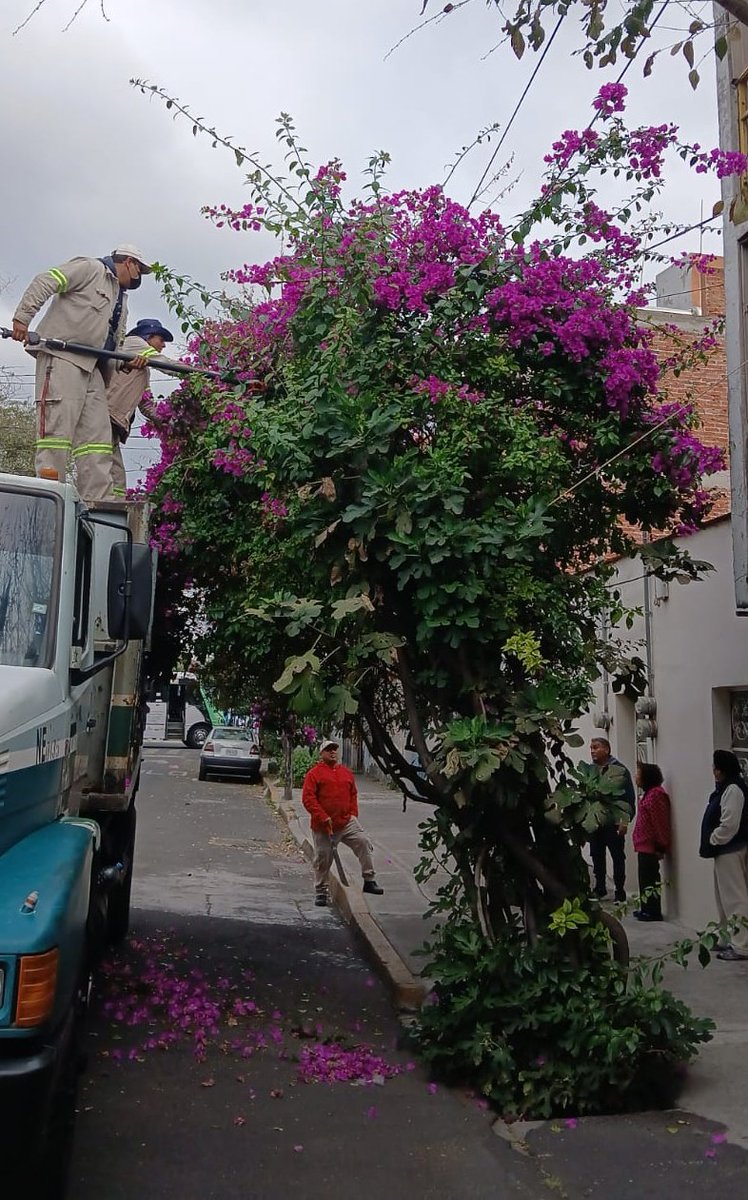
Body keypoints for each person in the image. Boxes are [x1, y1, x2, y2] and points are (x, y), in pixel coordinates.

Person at [11, 244, 153, 502]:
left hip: (95, 369)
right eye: (139, 270)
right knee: (56, 436)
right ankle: (48, 502)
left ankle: (99, 507)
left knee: (97, 441)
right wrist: (22, 318)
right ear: (129, 262)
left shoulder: (121, 297)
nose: (138, 277)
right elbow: (46, 280)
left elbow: (112, 342)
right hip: (63, 358)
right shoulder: (90, 268)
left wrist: (124, 363)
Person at [301, 739, 384, 907]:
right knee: (323, 858)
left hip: (346, 822)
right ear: (321, 754)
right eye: (328, 750)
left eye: (334, 749)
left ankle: (369, 880)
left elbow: (353, 793)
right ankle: (321, 892)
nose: (332, 752)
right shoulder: (314, 774)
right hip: (323, 826)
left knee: (363, 842)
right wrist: (322, 816)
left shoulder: (346, 772)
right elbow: (308, 799)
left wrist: (353, 814)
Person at [106, 318, 175, 497]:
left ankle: (116, 509)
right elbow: (166, 364)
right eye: (161, 340)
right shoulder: (134, 343)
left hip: (113, 422)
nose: (163, 345)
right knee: (105, 472)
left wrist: (167, 422)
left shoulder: (142, 368)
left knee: (117, 477)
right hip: (104, 417)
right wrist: (199, 375)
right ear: (148, 336)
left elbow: (145, 404)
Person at [699, 749, 748, 961]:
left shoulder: (733, 790)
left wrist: (714, 839)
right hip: (726, 851)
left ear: (721, 770)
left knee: (735, 899)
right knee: (724, 899)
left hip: (730, 850)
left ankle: (741, 945)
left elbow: (730, 824)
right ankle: (726, 938)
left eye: (715, 767)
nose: (713, 771)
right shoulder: (727, 788)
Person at [588, 735, 636, 902]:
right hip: (595, 822)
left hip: (613, 821)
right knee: (596, 855)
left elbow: (628, 798)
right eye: (591, 748)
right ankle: (600, 887)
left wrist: (624, 821)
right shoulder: (590, 770)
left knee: (617, 856)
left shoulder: (620, 770)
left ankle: (620, 890)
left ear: (607, 749)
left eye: (596, 747)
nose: (593, 751)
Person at [632, 762, 671, 921]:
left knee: (650, 879)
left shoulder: (656, 795)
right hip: (643, 844)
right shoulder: (648, 794)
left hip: (650, 845)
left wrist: (661, 845)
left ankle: (652, 911)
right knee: (644, 878)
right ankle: (646, 908)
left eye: (639, 773)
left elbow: (660, 821)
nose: (636, 776)